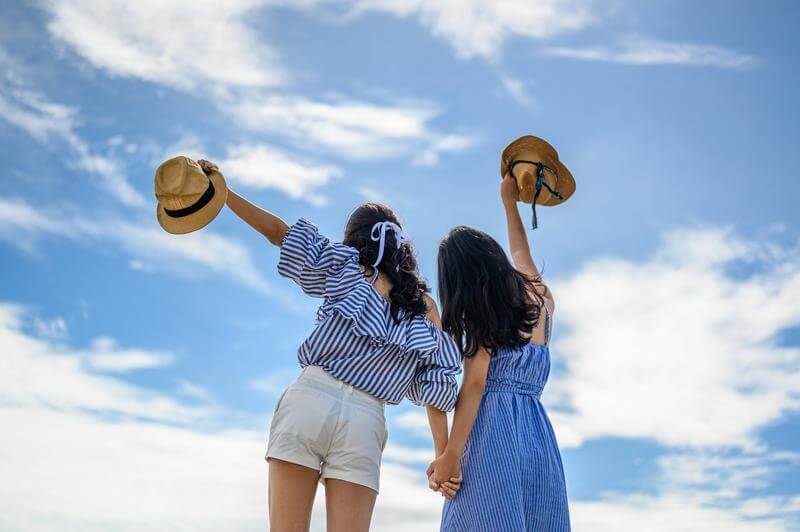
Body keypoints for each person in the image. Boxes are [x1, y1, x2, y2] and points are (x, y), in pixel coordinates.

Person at [194, 160, 462, 532]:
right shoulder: (422, 306)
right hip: (366, 421)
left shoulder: (347, 267)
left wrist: (224, 195)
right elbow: (437, 387)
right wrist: (444, 455)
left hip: (310, 399)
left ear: (355, 240)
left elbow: (279, 233)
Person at [428, 171, 570, 531]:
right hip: (537, 436)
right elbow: (521, 251)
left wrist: (451, 457)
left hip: (493, 434)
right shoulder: (539, 297)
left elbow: (474, 385)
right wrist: (509, 203)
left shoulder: (484, 310)